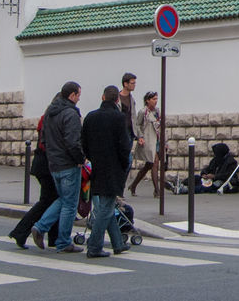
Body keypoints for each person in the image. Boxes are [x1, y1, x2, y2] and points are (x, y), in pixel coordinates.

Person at [31, 81, 85, 253]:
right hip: (68, 163)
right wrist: (81, 158)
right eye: (78, 95)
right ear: (72, 95)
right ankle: (63, 241)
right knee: (70, 203)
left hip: (53, 163)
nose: (79, 99)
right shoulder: (70, 114)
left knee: (63, 199)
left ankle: (40, 226)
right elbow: (72, 142)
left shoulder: (50, 113)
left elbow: (44, 139)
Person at [81, 85, 132, 258]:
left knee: (106, 204)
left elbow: (84, 143)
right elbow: (125, 146)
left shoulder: (90, 117)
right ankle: (94, 246)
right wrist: (124, 164)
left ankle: (117, 243)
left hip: (97, 165)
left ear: (103, 97)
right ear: (117, 100)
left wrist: (92, 157)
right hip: (113, 166)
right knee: (106, 207)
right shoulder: (119, 118)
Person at [9, 111, 60, 249]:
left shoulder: (46, 117)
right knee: (49, 201)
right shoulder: (54, 117)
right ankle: (20, 232)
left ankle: (53, 237)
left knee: (53, 199)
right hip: (47, 165)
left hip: (42, 163)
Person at [129, 90, 161, 197]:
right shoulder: (143, 112)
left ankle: (133, 185)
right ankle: (157, 190)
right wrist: (140, 137)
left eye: (156, 99)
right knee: (154, 162)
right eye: (153, 99)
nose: (155, 101)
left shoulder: (157, 111)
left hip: (156, 140)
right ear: (147, 101)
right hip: (147, 141)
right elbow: (137, 125)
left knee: (148, 165)